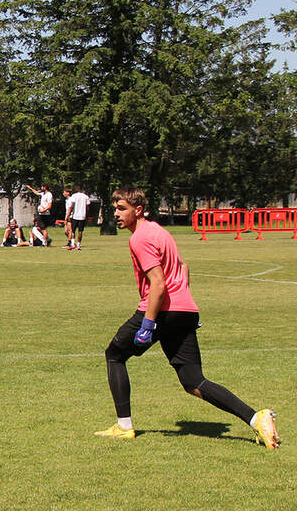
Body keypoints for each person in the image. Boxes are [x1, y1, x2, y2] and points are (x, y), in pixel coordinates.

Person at [95, 187, 279, 448]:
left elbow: (157, 283)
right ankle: (256, 418)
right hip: (183, 311)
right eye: (115, 208)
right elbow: (183, 266)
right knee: (193, 381)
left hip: (161, 310)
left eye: (121, 208)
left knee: (114, 355)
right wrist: (186, 308)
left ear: (138, 210)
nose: (116, 213)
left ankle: (124, 426)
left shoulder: (139, 238)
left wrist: (148, 325)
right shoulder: (160, 231)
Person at [64, 183, 88, 250]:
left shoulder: (74, 196)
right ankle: (78, 245)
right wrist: (86, 215)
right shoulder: (85, 196)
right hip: (82, 216)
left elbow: (71, 206)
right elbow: (87, 207)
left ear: (77, 188)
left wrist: (68, 215)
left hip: (75, 216)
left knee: (73, 231)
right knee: (80, 231)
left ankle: (72, 244)